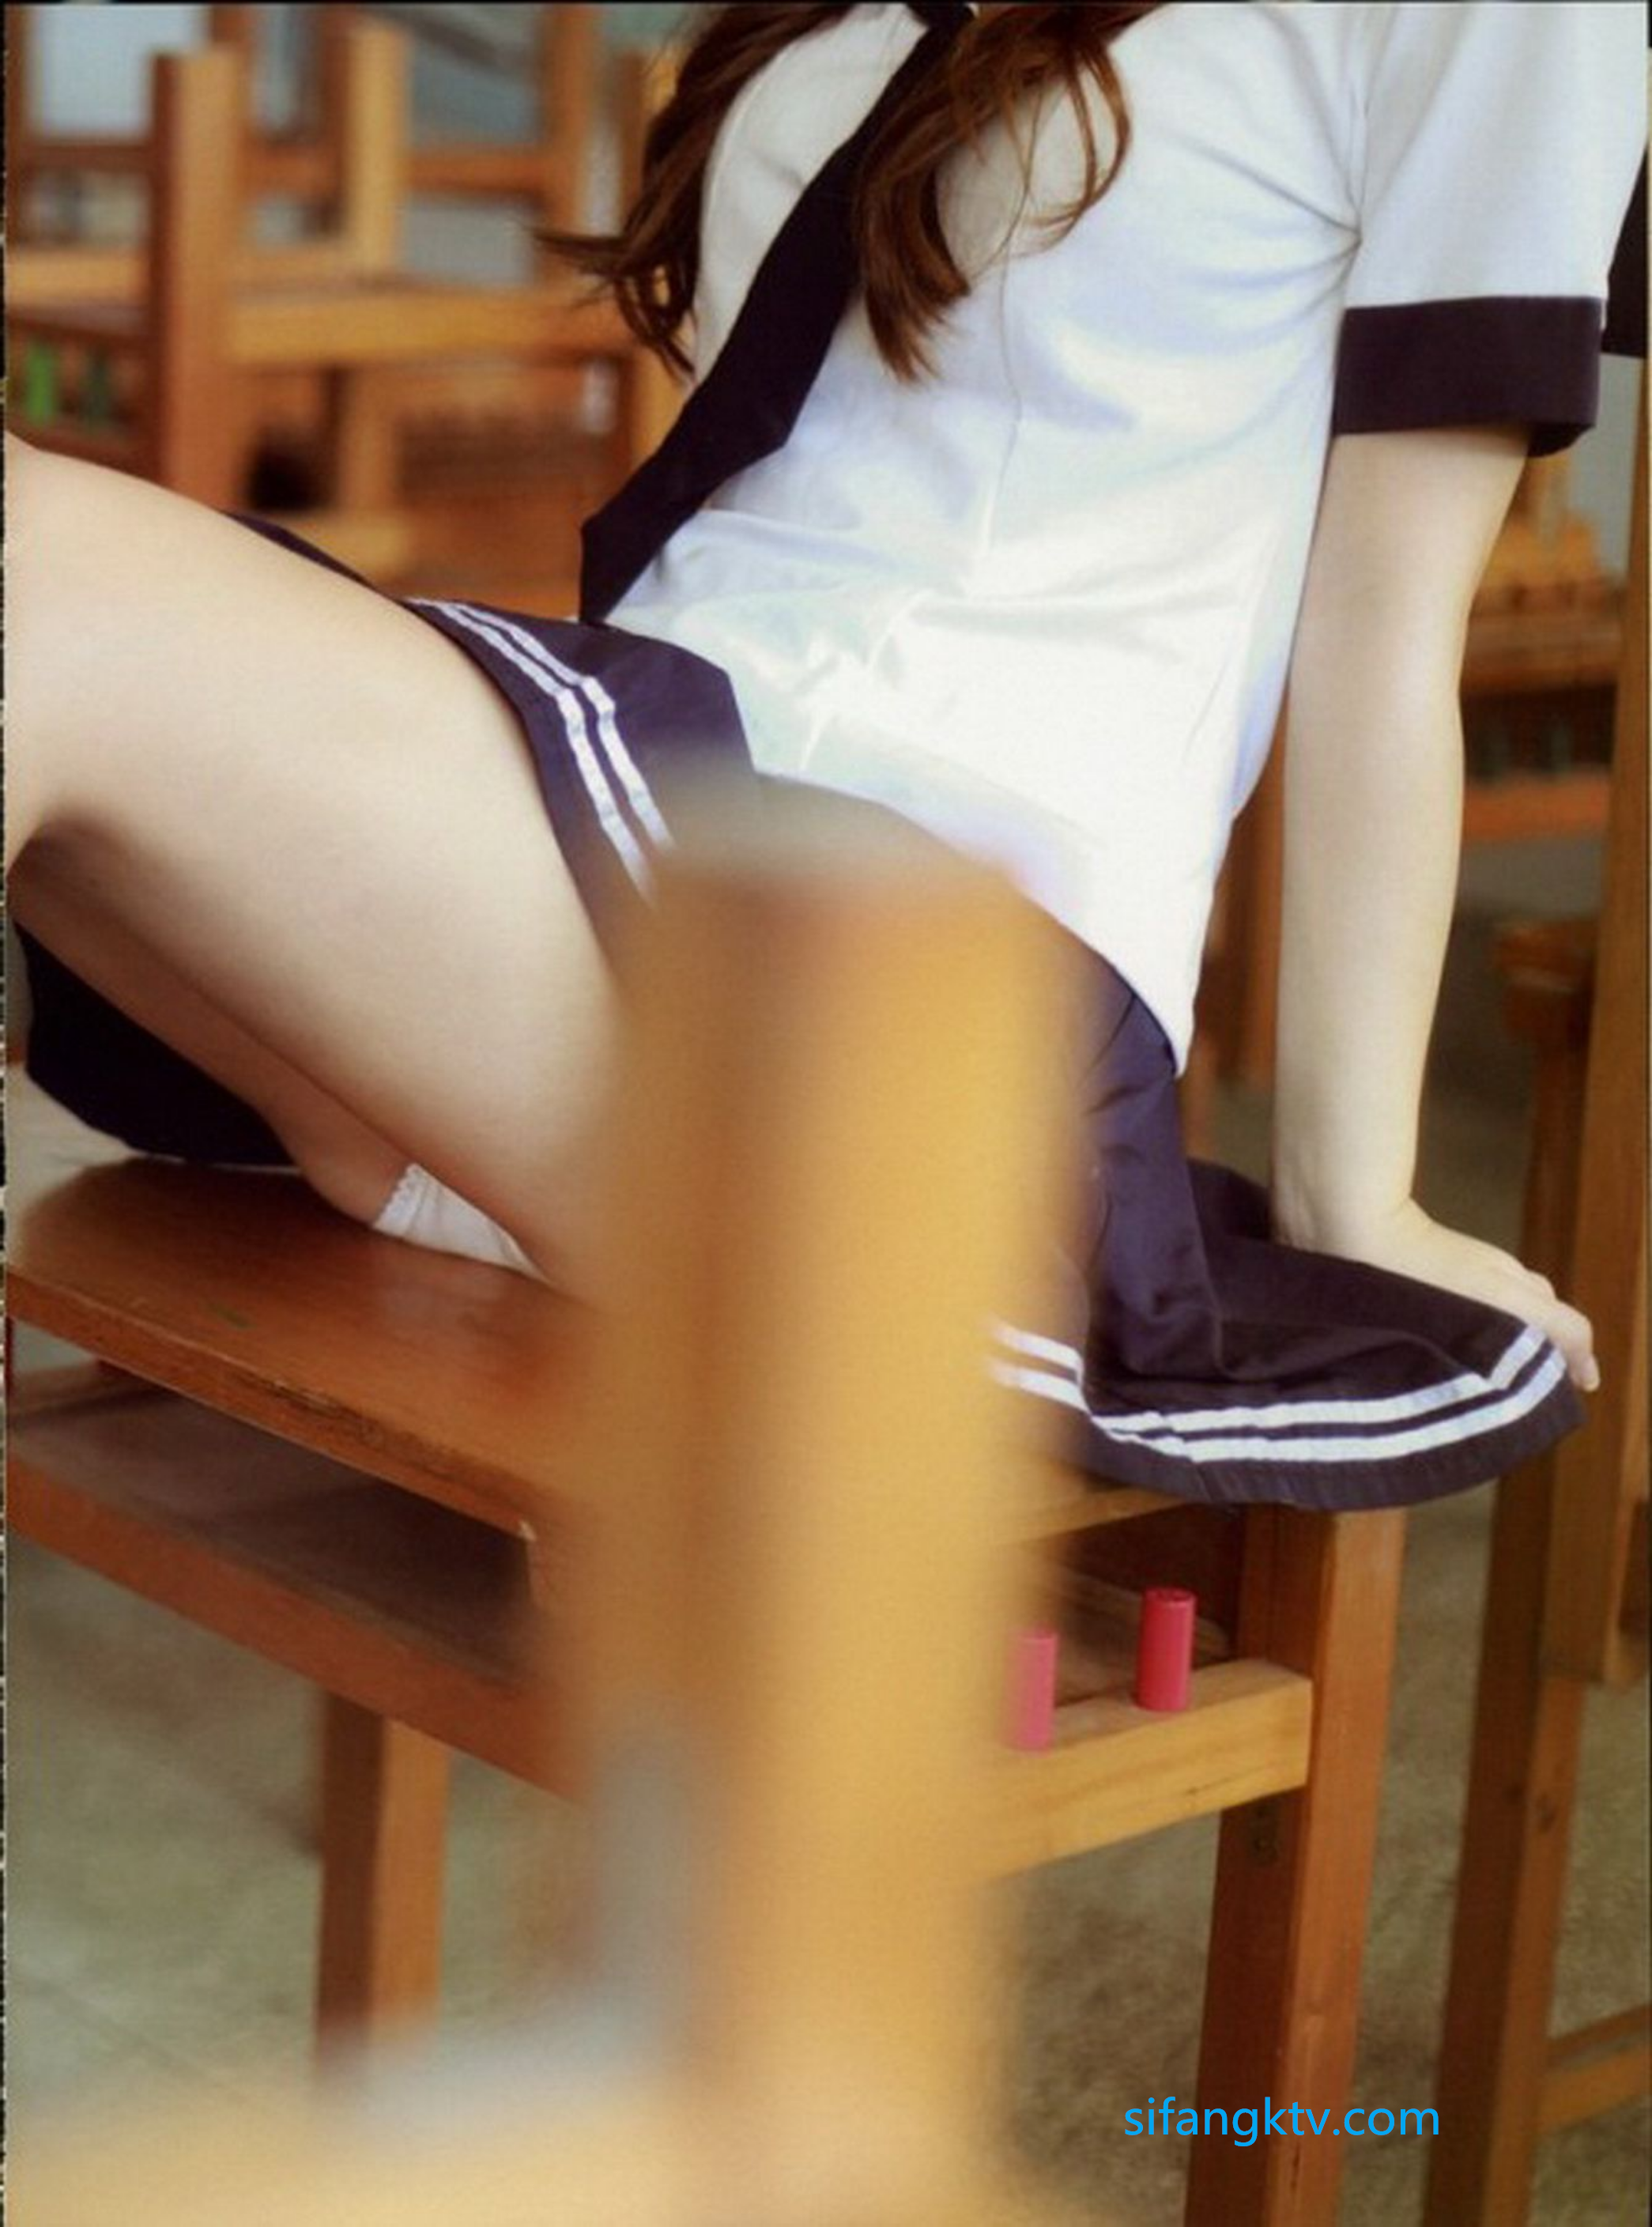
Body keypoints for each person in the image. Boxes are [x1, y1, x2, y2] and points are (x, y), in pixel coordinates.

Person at [9, 0, 1644, 1508]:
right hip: (571, 921)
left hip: (909, 979)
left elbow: (1383, 630)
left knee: (34, 566)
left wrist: (1358, 1198)